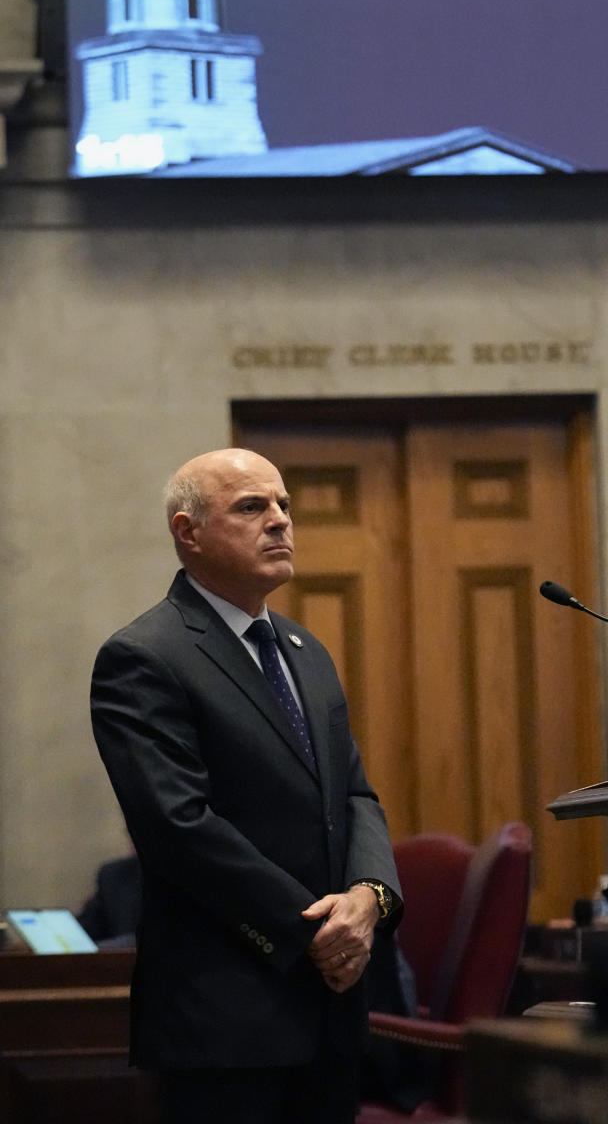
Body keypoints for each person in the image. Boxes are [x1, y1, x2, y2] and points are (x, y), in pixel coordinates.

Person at [90, 448, 401, 1124]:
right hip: (224, 1019)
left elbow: (355, 796)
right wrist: (312, 931)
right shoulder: (145, 656)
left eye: (284, 504)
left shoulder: (303, 650)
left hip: (331, 1009)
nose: (281, 521)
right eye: (252, 507)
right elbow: (178, 827)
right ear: (188, 531)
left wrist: (368, 898)